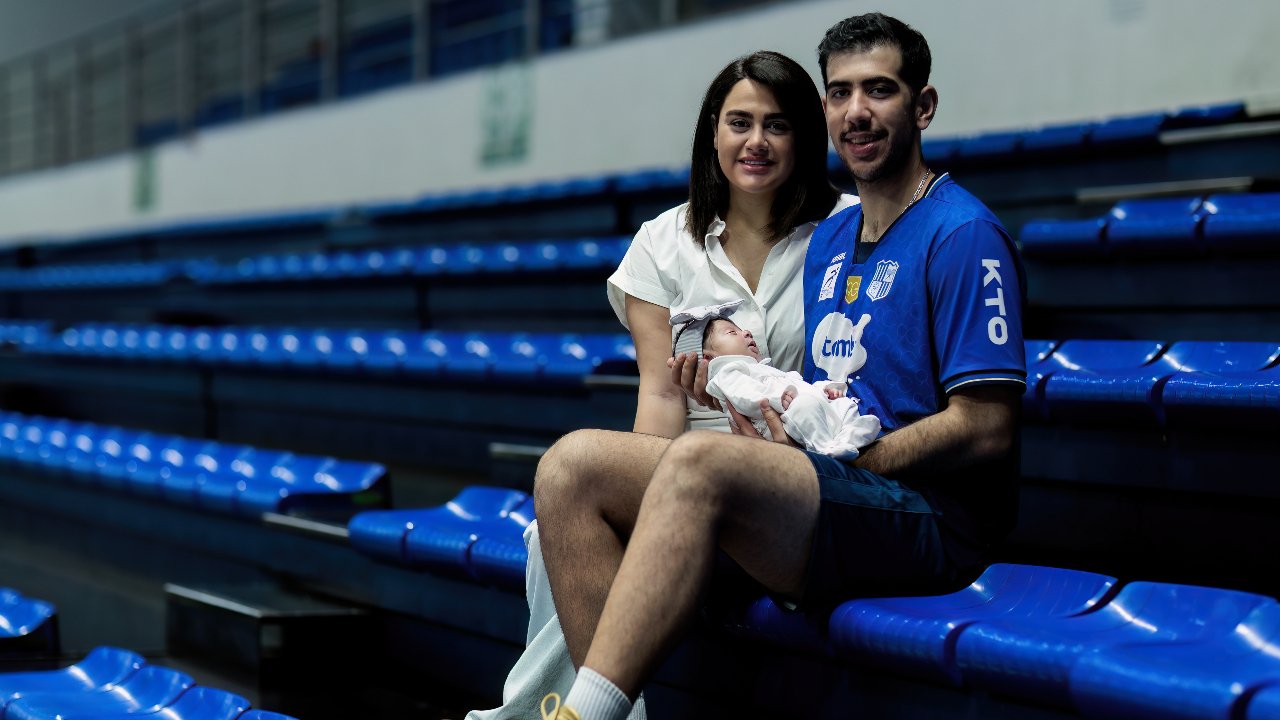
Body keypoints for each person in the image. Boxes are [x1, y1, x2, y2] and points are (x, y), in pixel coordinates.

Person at [535, 12, 1027, 720]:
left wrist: (848, 463)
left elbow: (986, 428)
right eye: (840, 92)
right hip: (837, 490)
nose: (856, 112)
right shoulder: (832, 239)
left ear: (922, 107)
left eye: (879, 90)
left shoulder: (962, 233)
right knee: (571, 466)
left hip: (929, 517)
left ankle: (579, 716)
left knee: (699, 462)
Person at [464, 50, 853, 720]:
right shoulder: (662, 242)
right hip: (684, 458)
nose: (755, 141)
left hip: (796, 459)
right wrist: (642, 495)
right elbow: (661, 394)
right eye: (738, 123)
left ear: (804, 137)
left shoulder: (849, 227)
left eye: (776, 125)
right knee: (567, 515)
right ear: (712, 133)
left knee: (568, 494)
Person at [699, 315, 881, 460]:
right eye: (732, 332)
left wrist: (823, 391)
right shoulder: (728, 373)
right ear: (709, 358)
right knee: (805, 405)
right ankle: (824, 449)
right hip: (783, 422)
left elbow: (800, 385)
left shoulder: (765, 371)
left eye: (744, 330)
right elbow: (745, 397)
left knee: (841, 404)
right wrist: (778, 398)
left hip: (803, 410)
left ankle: (849, 435)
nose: (746, 332)